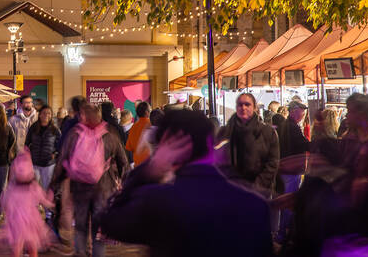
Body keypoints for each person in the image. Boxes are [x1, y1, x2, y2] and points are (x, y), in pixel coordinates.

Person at [100, 110, 273, 257]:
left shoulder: (156, 200)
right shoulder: (255, 204)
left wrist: (147, 170)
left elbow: (109, 221)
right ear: (211, 143)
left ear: (166, 148)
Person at [50, 102, 129, 257]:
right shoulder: (110, 134)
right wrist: (124, 184)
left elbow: (62, 161)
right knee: (98, 231)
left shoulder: (74, 134)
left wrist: (54, 186)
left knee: (80, 226)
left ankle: (80, 252)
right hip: (104, 190)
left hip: (79, 189)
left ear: (83, 117)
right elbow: (124, 163)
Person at [0, 149, 55, 257]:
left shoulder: (11, 189)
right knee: (32, 247)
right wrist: (51, 199)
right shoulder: (34, 187)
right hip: (31, 222)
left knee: (16, 247)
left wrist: (5, 211)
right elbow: (46, 202)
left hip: (16, 222)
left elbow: (3, 202)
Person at [216, 92, 279, 195]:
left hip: (259, 192)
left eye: (247, 104)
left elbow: (272, 163)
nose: (243, 108)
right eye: (240, 104)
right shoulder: (225, 132)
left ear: (254, 107)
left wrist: (257, 187)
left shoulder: (267, 132)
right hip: (232, 191)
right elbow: (218, 160)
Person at [276, 99, 311, 240]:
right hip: (291, 170)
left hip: (286, 169)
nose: (303, 114)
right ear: (294, 111)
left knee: (286, 200)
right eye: (301, 111)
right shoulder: (292, 127)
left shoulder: (286, 125)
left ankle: (282, 233)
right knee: (289, 202)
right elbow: (303, 144)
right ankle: (282, 234)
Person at [25, 105, 61, 228]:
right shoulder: (33, 128)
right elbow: (26, 143)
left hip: (48, 165)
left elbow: (61, 146)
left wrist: (55, 154)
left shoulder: (54, 130)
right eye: (44, 113)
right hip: (34, 163)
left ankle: (48, 215)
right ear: (39, 114)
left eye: (49, 113)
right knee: (33, 190)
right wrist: (27, 154)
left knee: (47, 190)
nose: (47, 115)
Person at [126, 102, 152, 166]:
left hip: (137, 165)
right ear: (146, 112)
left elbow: (129, 147)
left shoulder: (133, 127)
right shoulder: (151, 124)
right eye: (150, 110)